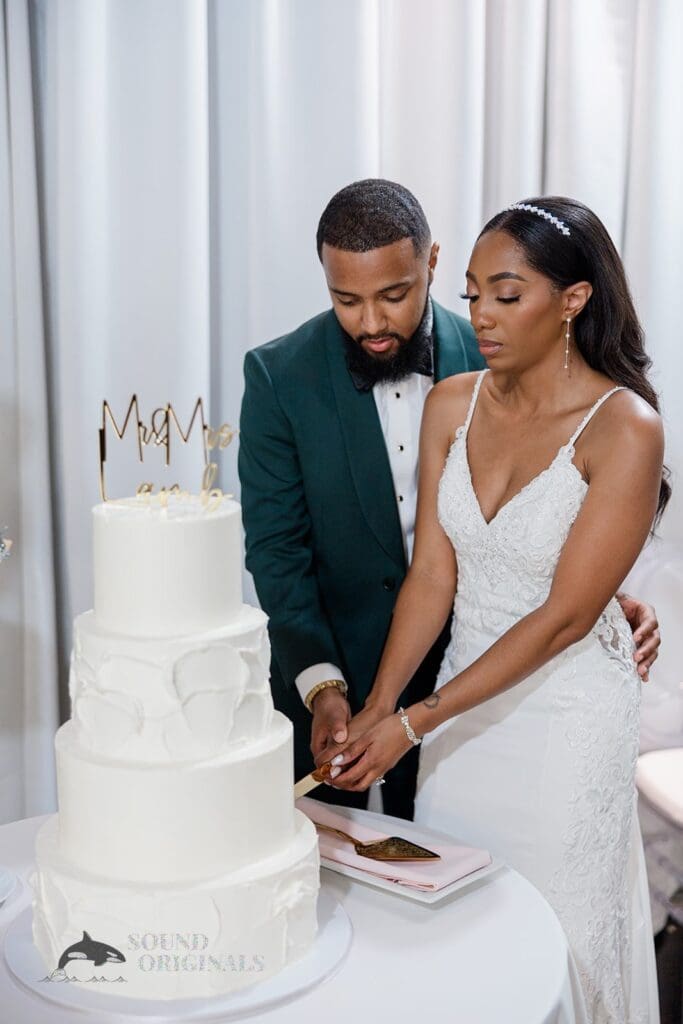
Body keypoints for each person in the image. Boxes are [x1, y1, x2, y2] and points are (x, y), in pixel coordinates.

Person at [321, 197, 667, 1021]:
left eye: (505, 296)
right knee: (462, 934)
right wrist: (379, 705)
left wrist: (412, 724)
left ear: (572, 300)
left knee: (559, 932)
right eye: (473, 293)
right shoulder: (453, 404)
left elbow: (564, 617)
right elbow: (431, 578)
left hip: (567, 714)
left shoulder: (625, 429)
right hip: (461, 719)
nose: (479, 315)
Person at [238, 180, 660, 822]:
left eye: (394, 295)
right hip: (365, 685)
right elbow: (283, 554)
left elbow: (563, 591)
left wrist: (605, 600)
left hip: (525, 704)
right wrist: (358, 697)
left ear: (428, 264)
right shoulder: (290, 377)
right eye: (346, 299)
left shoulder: (511, 361)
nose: (371, 322)